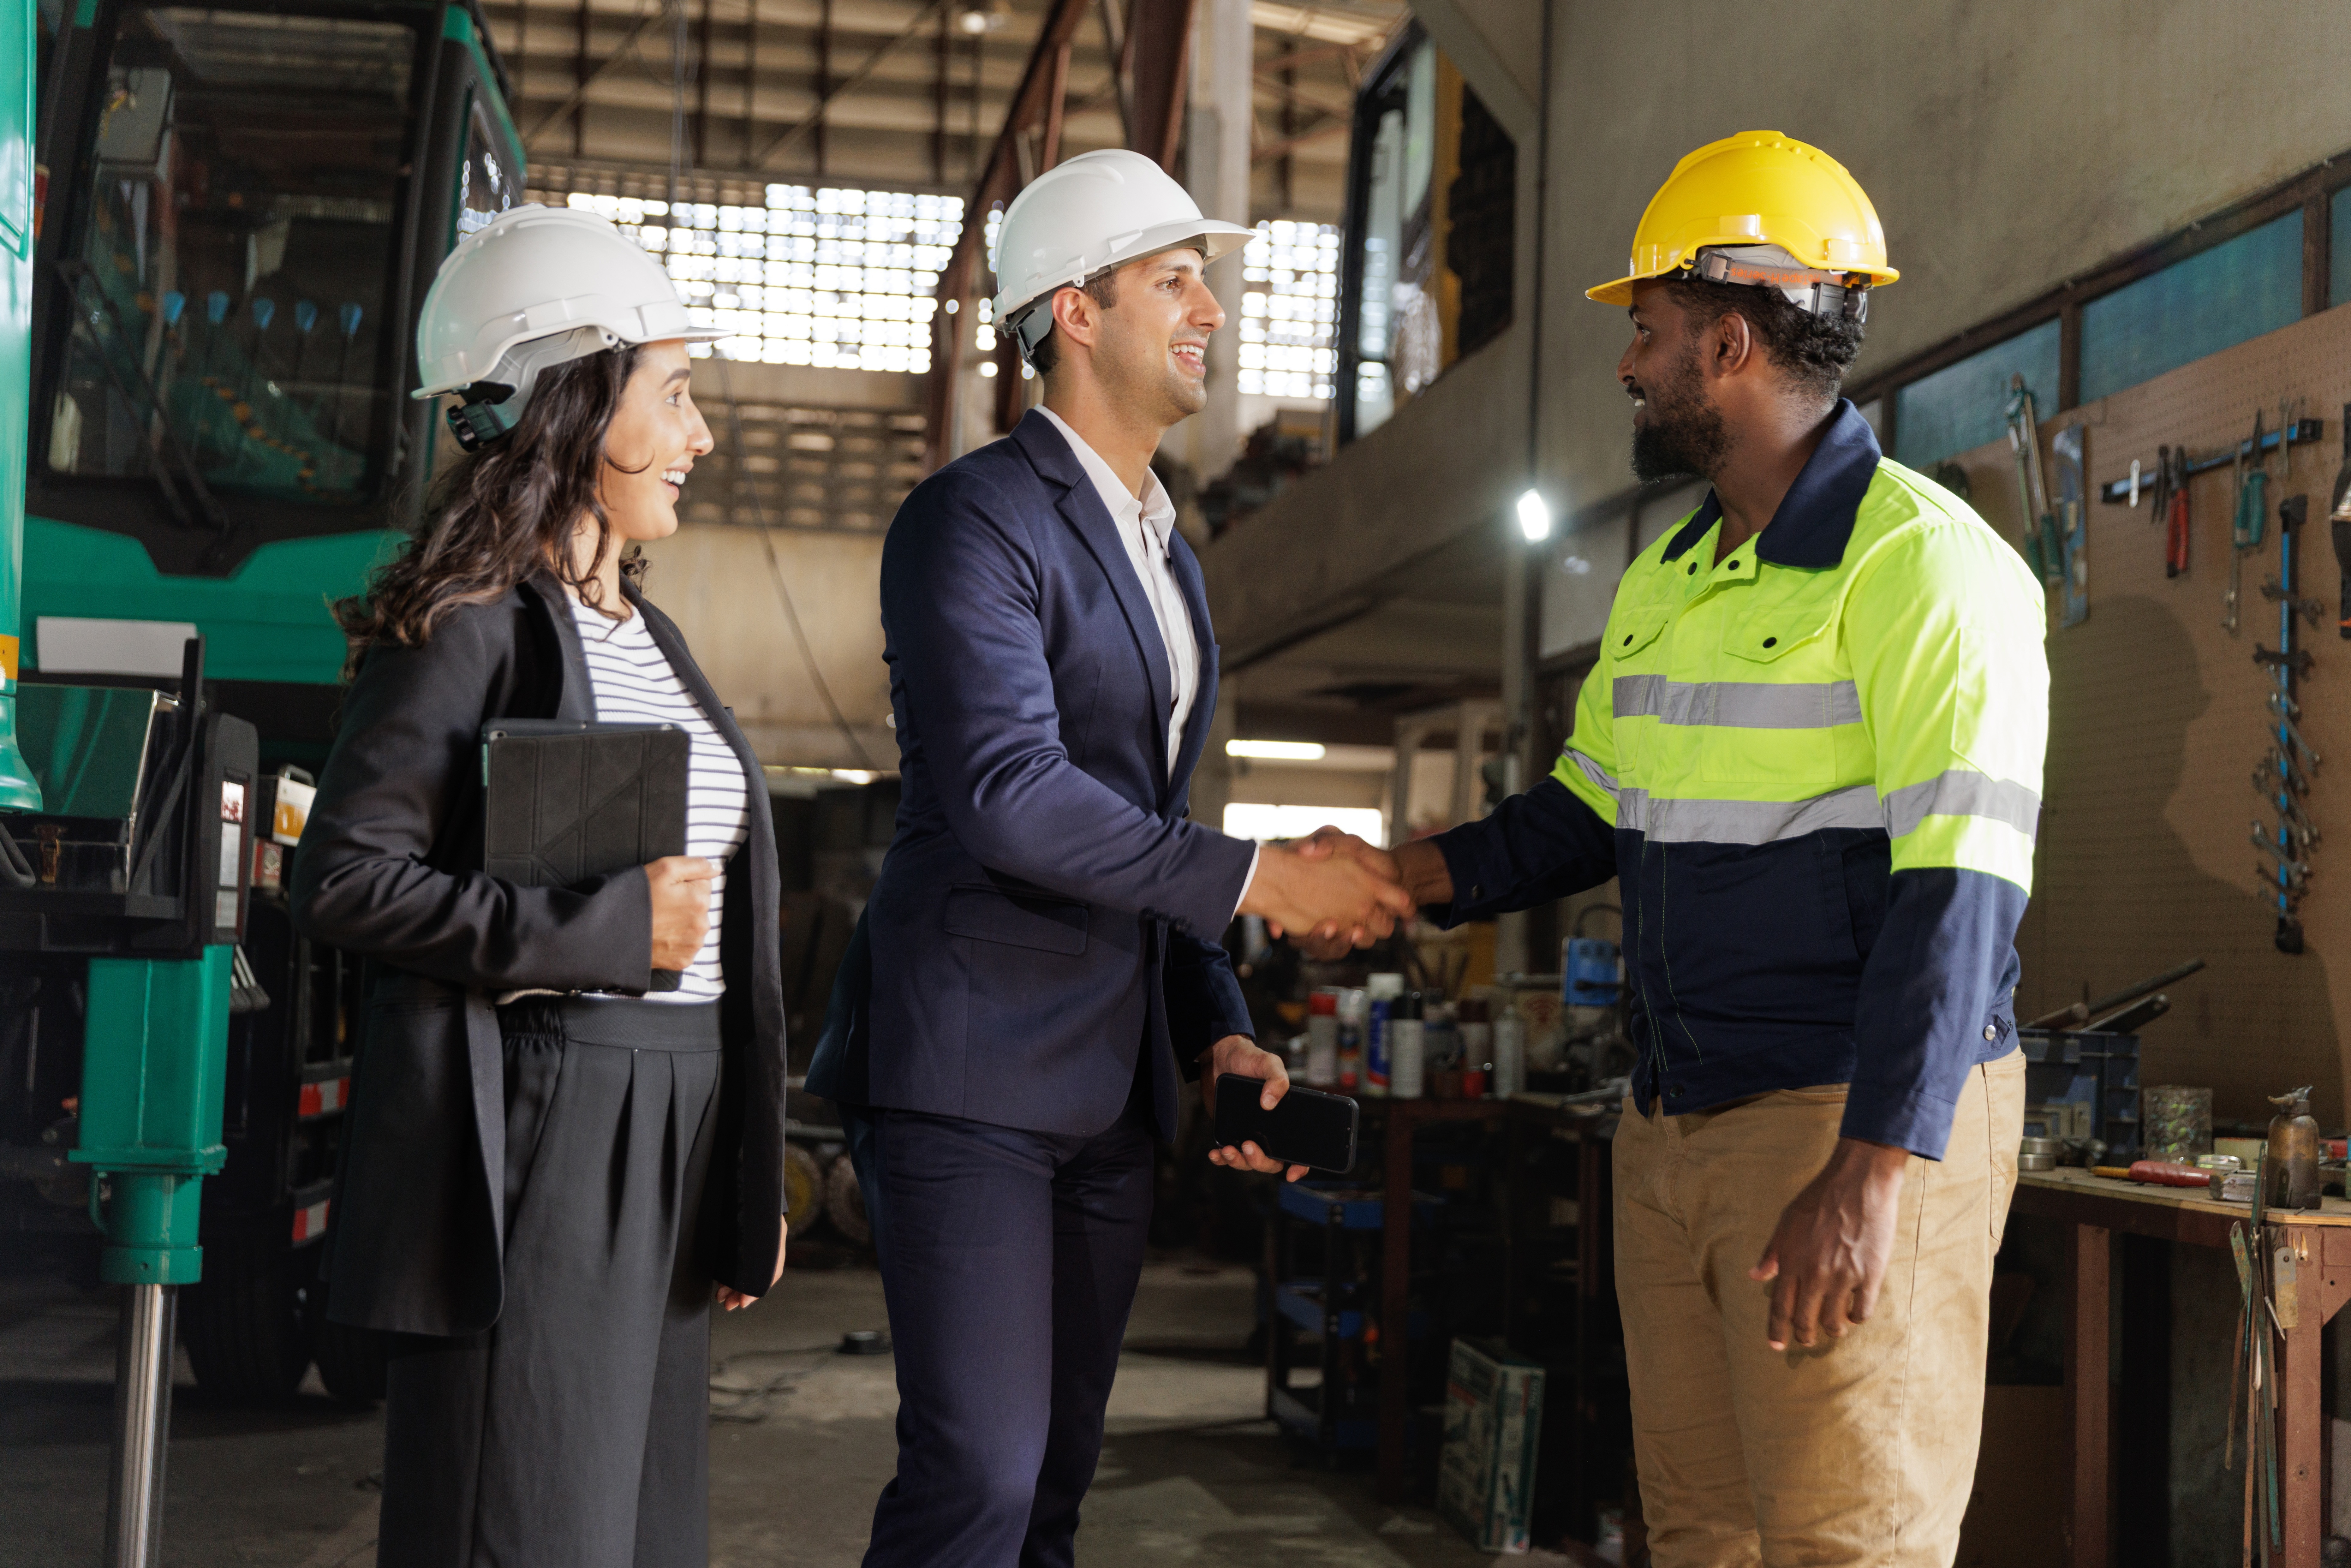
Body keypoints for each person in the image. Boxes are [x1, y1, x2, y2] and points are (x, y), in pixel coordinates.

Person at [1300, 131, 2048, 1566]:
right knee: (1701, 1534)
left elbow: (1959, 894)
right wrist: (1404, 876)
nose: (1627, 365)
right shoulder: (1673, 574)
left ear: (1725, 341)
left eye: (1643, 333)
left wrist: (1875, 1169)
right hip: (1673, 1124)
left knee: (1846, 1544)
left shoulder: (1927, 569)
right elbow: (1588, 811)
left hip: (1838, 1124)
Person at [805, 148, 1413, 1568]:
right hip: (968, 1074)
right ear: (1074, 312)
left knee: (1055, 1488)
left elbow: (1142, 823)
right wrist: (1264, 877)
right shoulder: (975, 518)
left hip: (1106, 1087)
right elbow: (1011, 793)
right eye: (1174, 277)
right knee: (981, 1479)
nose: (1209, 307)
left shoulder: (1168, 554)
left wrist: (1219, 1034)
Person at [290, 206, 791, 1568]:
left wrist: (743, 1165)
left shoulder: (651, 635)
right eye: (674, 395)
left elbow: (713, 937)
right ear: (576, 401)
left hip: (672, 1117)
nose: (698, 436)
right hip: (547, 1114)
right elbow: (343, 881)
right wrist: (606, 930)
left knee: (637, 1529)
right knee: (527, 1518)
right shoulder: (470, 626)